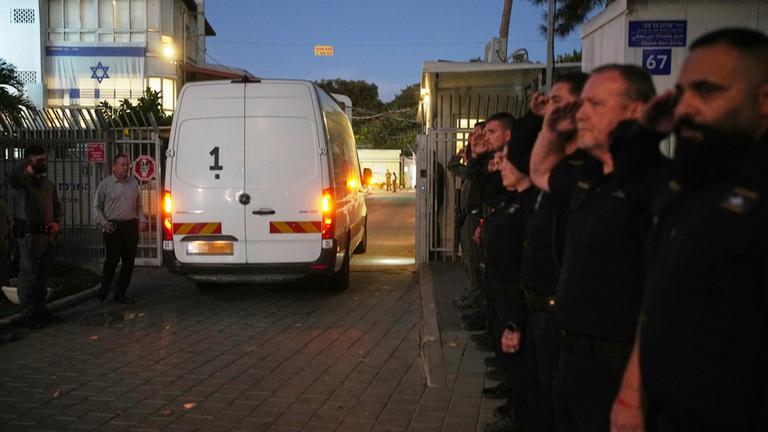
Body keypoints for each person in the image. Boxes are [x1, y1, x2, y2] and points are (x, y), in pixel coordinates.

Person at [611, 28, 768, 432]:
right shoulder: (694, 183)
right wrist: (645, 131)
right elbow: (633, 171)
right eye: (681, 93)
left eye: (707, 91)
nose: (685, 108)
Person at [529, 65, 662, 432]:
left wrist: (633, 393)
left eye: (596, 104)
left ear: (634, 110)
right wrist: (549, 128)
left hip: (616, 369)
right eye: (581, 103)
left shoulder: (656, 187)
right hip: (571, 359)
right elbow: (540, 172)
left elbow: (658, 304)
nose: (581, 114)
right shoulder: (591, 177)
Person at [516, 72, 588, 432]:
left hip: (564, 316)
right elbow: (527, 160)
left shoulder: (589, 171)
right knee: (540, 392)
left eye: (559, 101)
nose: (551, 108)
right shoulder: (556, 169)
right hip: (539, 308)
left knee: (559, 402)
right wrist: (536, 121)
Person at [6, 145, 62, 328]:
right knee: (29, 275)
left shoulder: (46, 183)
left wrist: (57, 222)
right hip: (29, 236)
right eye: (41, 160)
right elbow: (12, 175)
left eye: (45, 159)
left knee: (42, 276)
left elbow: (56, 205)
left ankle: (40, 310)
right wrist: (26, 162)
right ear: (31, 160)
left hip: (47, 236)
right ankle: (28, 314)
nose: (45, 163)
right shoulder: (22, 182)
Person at [93, 154, 148, 304]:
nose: (126, 168)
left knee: (129, 261)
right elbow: (97, 206)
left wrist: (142, 219)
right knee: (112, 259)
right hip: (113, 227)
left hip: (130, 226)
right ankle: (104, 288)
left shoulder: (133, 184)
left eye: (127, 165)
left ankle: (120, 293)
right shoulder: (105, 184)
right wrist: (103, 222)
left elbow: (139, 205)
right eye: (122, 165)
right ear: (114, 167)